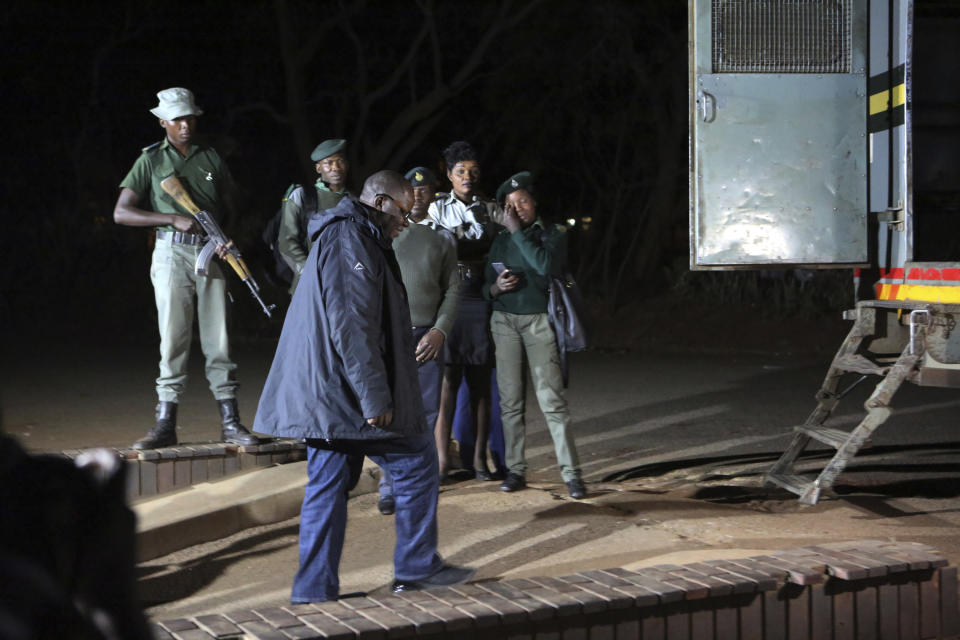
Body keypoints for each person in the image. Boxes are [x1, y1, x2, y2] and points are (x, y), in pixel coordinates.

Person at [252, 170, 474, 601]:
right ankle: (416, 566)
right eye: (403, 212)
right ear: (380, 203)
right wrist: (375, 395)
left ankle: (314, 588)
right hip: (344, 395)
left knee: (328, 484)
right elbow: (352, 326)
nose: (406, 223)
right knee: (417, 460)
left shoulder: (352, 236)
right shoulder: (350, 240)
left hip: (329, 394)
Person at [113, 87, 258, 449]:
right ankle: (165, 423)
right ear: (162, 122)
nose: (185, 124)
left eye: (190, 117)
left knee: (218, 339)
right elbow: (121, 212)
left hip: (211, 249)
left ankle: (231, 422)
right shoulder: (149, 160)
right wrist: (170, 218)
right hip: (171, 253)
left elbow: (232, 203)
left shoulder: (210, 158)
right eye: (177, 119)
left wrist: (227, 237)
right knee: (173, 340)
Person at [484, 172, 586, 499]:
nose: (517, 209)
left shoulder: (553, 233)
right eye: (510, 205)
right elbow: (487, 287)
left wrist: (517, 233)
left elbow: (544, 266)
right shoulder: (499, 239)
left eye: (523, 201)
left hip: (540, 321)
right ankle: (515, 469)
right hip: (504, 321)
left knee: (552, 401)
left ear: (534, 202)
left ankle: (571, 474)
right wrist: (496, 287)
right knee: (510, 403)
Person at [376, 167, 459, 515]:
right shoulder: (385, 233)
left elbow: (453, 288)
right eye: (413, 190)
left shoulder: (442, 238)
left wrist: (440, 329)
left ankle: (420, 483)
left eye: (426, 190)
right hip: (390, 335)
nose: (419, 196)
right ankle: (388, 484)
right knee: (388, 410)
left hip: (427, 336)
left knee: (425, 413)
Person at [428, 141, 504, 481]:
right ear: (448, 175)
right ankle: (442, 461)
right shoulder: (436, 208)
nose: (468, 177)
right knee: (447, 384)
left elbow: (501, 242)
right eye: (460, 172)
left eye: (473, 172)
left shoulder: (490, 207)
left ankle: (479, 461)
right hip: (450, 298)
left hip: (480, 297)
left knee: (481, 386)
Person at [278, 138, 352, 294]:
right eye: (329, 163)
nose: (335, 168)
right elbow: (286, 242)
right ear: (318, 168)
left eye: (340, 161)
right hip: (310, 287)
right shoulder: (303, 196)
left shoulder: (354, 202)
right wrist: (311, 272)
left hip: (345, 289)